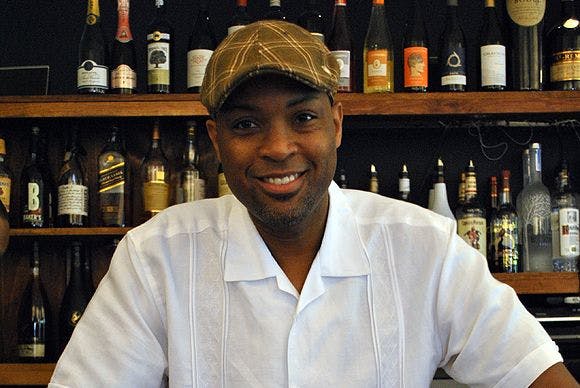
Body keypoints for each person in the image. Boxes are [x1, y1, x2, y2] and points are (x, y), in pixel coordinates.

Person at [49, 20, 578, 387]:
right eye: (246, 124)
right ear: (215, 140)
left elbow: (534, 371)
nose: (278, 148)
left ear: (337, 123)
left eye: (302, 118)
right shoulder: (154, 257)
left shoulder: (425, 248)